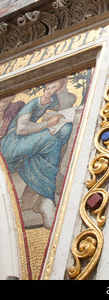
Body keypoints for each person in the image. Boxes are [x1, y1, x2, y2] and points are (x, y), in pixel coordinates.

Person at [1, 79, 74, 229]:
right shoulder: (33, 102)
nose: (49, 90)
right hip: (11, 144)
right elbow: (21, 129)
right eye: (48, 86)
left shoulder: (50, 103)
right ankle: (46, 200)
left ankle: (45, 200)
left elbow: (70, 100)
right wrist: (47, 124)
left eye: (55, 88)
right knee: (52, 138)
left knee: (63, 131)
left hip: (23, 144)